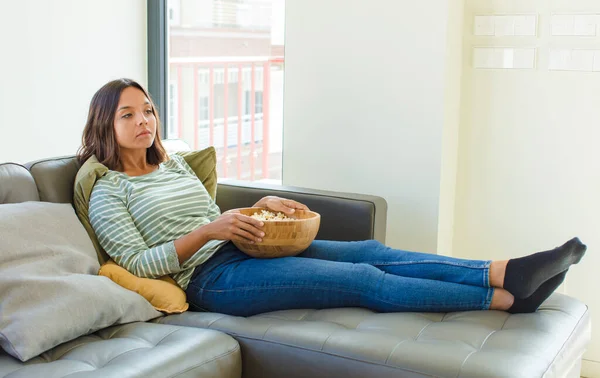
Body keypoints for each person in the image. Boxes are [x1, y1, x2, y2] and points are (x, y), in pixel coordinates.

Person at [79, 78, 587, 317]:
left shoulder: (170, 164)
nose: (145, 121)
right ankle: (501, 300)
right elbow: (140, 264)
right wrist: (211, 230)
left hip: (244, 248)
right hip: (212, 279)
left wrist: (262, 209)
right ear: (107, 123)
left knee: (373, 252)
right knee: (363, 279)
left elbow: (217, 216)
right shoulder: (106, 190)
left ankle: (505, 272)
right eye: (129, 115)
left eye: (148, 110)